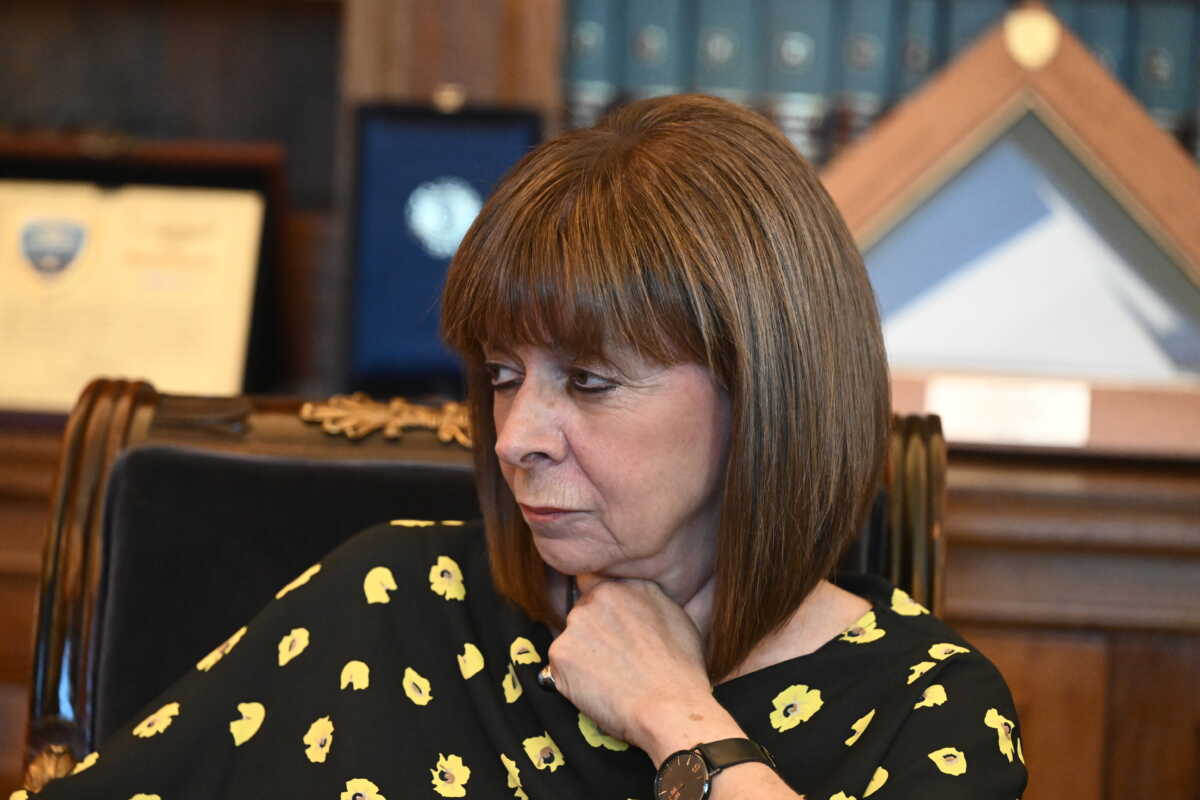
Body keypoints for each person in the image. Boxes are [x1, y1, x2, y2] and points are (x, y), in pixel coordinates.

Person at [23, 95, 1026, 800]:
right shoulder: (389, 604)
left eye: (587, 382)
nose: (514, 439)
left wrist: (677, 717)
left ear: (763, 391)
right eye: (503, 375)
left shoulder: (928, 708)